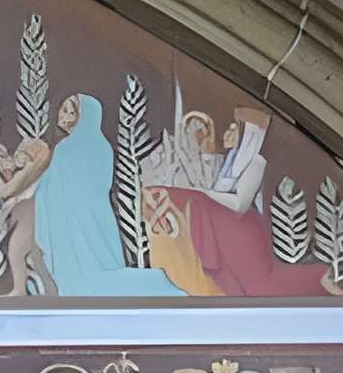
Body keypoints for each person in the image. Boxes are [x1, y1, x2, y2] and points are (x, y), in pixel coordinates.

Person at [141, 107, 330, 296]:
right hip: (223, 233)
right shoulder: (186, 175)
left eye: (202, 132)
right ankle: (254, 133)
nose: (201, 138)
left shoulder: (210, 177)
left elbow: (237, 201)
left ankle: (254, 134)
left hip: (231, 233)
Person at [29, 94, 181, 296]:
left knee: (90, 276)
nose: (63, 115)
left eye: (71, 111)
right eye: (63, 109)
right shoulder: (84, 146)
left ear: (86, 116)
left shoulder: (89, 146)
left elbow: (93, 186)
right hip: (67, 219)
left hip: (87, 220)